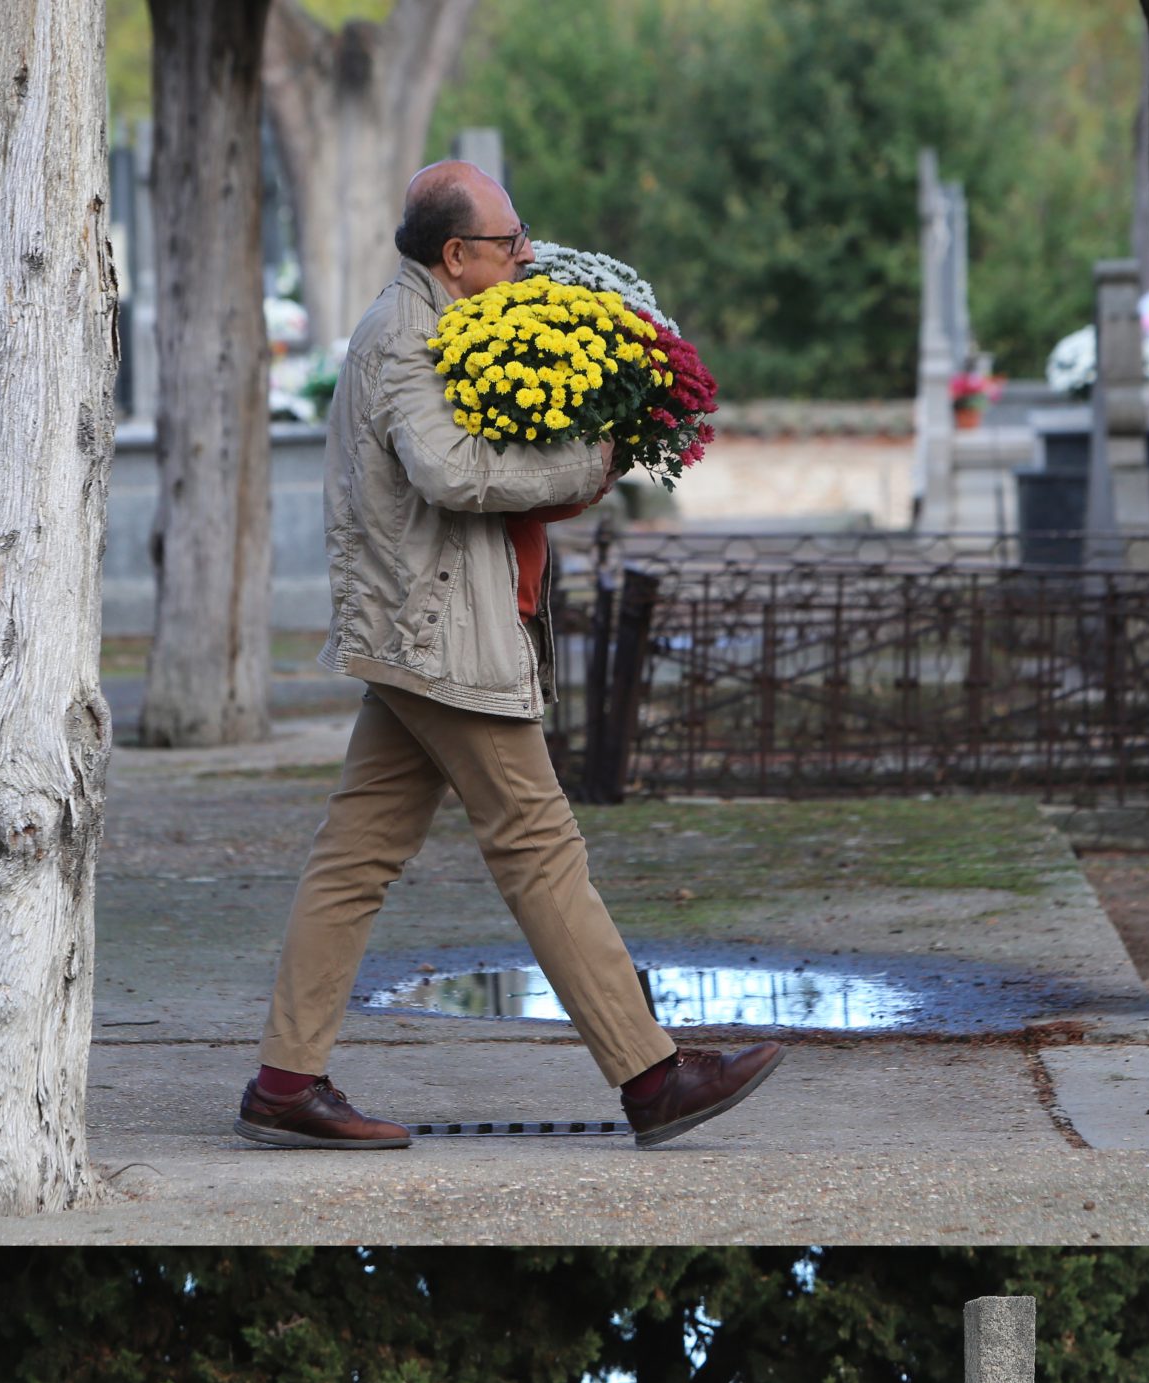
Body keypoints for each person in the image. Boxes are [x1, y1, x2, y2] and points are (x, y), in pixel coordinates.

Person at [240, 158, 781, 1152]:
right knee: (540, 850)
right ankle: (653, 1076)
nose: (525, 256)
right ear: (457, 256)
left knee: (356, 855)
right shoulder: (406, 332)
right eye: (507, 243)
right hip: (440, 633)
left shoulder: (434, 318)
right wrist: (591, 457)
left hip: (427, 628)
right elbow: (448, 471)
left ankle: (284, 1080)